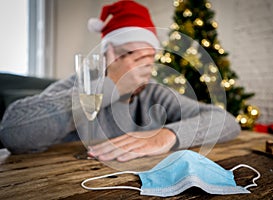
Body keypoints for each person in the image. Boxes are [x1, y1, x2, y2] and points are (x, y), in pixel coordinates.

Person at [0, 0, 241, 161]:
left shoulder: (154, 94)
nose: (143, 68)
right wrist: (111, 85)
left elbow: (226, 121)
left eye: (149, 58)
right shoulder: (78, 87)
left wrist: (167, 135)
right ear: (109, 55)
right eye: (132, 55)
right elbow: (13, 133)